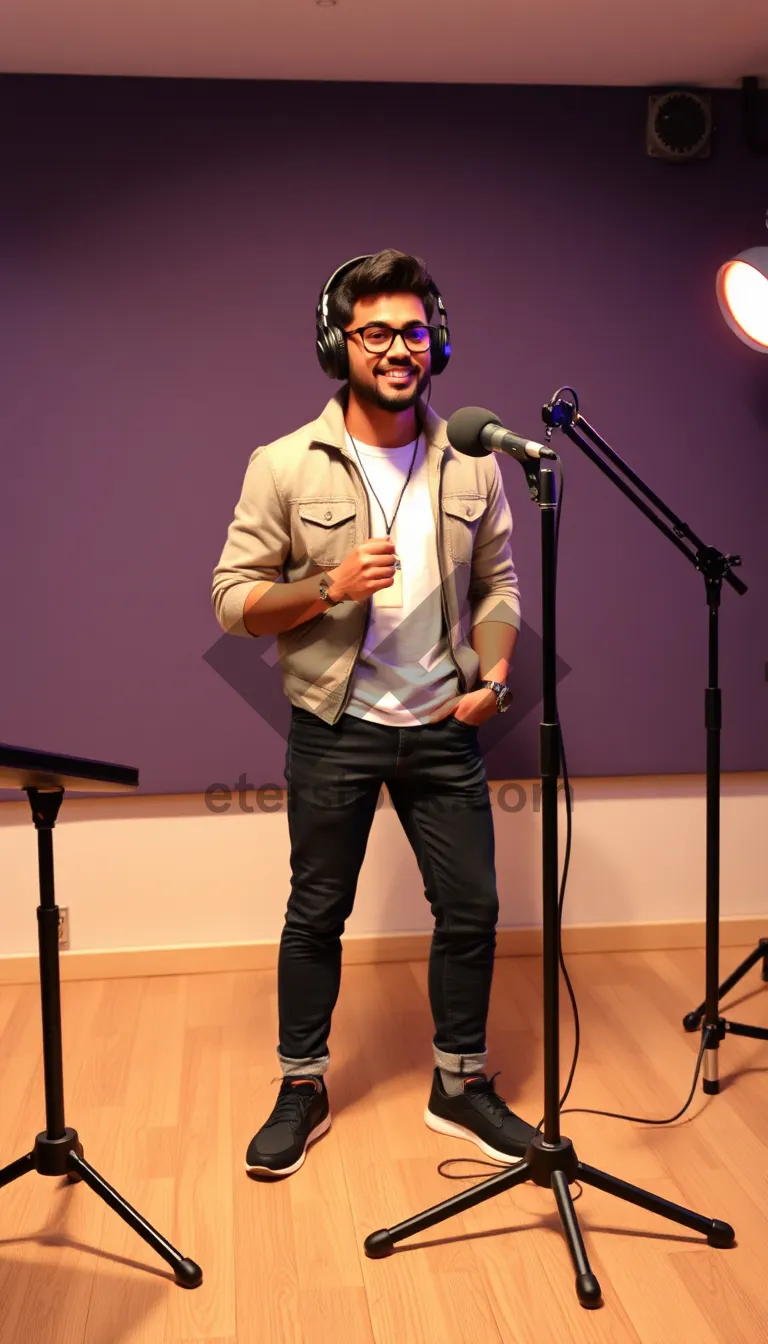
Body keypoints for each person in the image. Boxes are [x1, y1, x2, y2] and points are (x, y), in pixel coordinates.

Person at [212, 249, 535, 1178]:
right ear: (338, 342)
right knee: (317, 911)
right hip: (336, 727)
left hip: (444, 727)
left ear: (438, 342)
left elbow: (500, 585)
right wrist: (325, 586)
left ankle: (460, 1083)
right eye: (378, 332)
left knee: (472, 909)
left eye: (415, 331)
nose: (400, 349)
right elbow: (233, 602)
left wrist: (500, 673)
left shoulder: (475, 460)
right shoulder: (283, 464)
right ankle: (303, 1084)